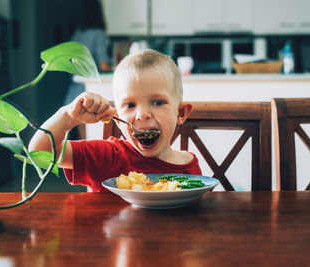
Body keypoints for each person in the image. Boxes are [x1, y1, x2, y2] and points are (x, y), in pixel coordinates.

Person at [28, 49, 201, 192]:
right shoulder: (108, 156)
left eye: (157, 102)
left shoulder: (189, 166)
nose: (142, 114)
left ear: (180, 113)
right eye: (130, 105)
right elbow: (39, 151)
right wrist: (68, 117)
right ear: (118, 120)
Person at [64, 0, 111, 139]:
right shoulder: (98, 33)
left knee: (80, 130)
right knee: (89, 133)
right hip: (88, 87)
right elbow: (104, 66)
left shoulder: (78, 32)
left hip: (74, 86)